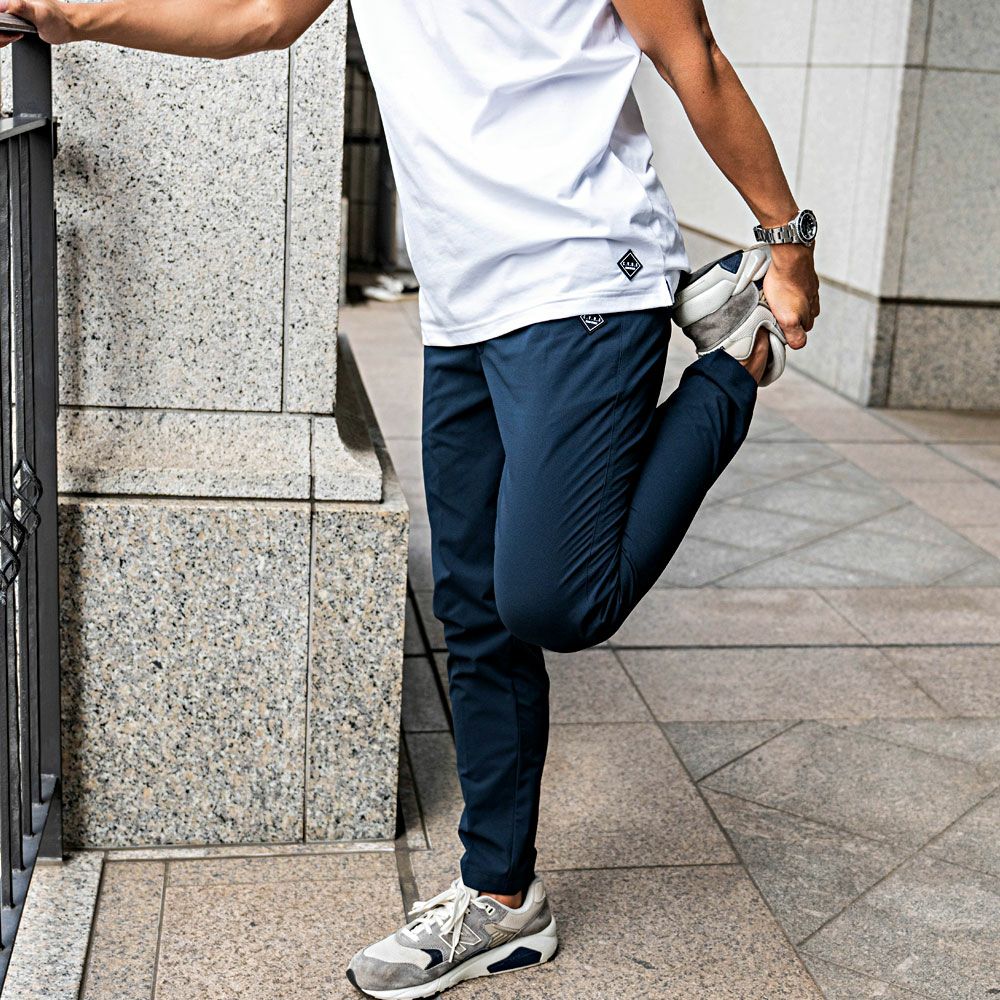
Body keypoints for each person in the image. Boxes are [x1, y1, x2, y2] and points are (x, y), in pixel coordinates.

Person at [0, 0, 820, 995]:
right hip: (463, 303)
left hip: (585, 280)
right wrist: (64, 16)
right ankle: (502, 898)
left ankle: (735, 362)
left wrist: (786, 241)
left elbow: (695, 56)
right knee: (472, 609)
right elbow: (257, 16)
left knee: (557, 600)